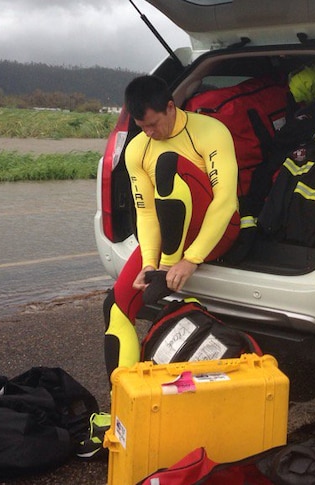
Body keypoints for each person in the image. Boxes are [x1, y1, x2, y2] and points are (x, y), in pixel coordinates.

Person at [103, 75, 240, 381]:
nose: (149, 133)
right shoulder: (138, 148)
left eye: (153, 124)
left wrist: (191, 260)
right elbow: (147, 211)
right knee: (116, 305)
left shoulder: (210, 132)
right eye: (141, 126)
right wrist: (149, 261)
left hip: (217, 230)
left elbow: (226, 201)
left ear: (170, 107)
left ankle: (167, 269)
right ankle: (124, 399)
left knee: (168, 163)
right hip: (169, 240)